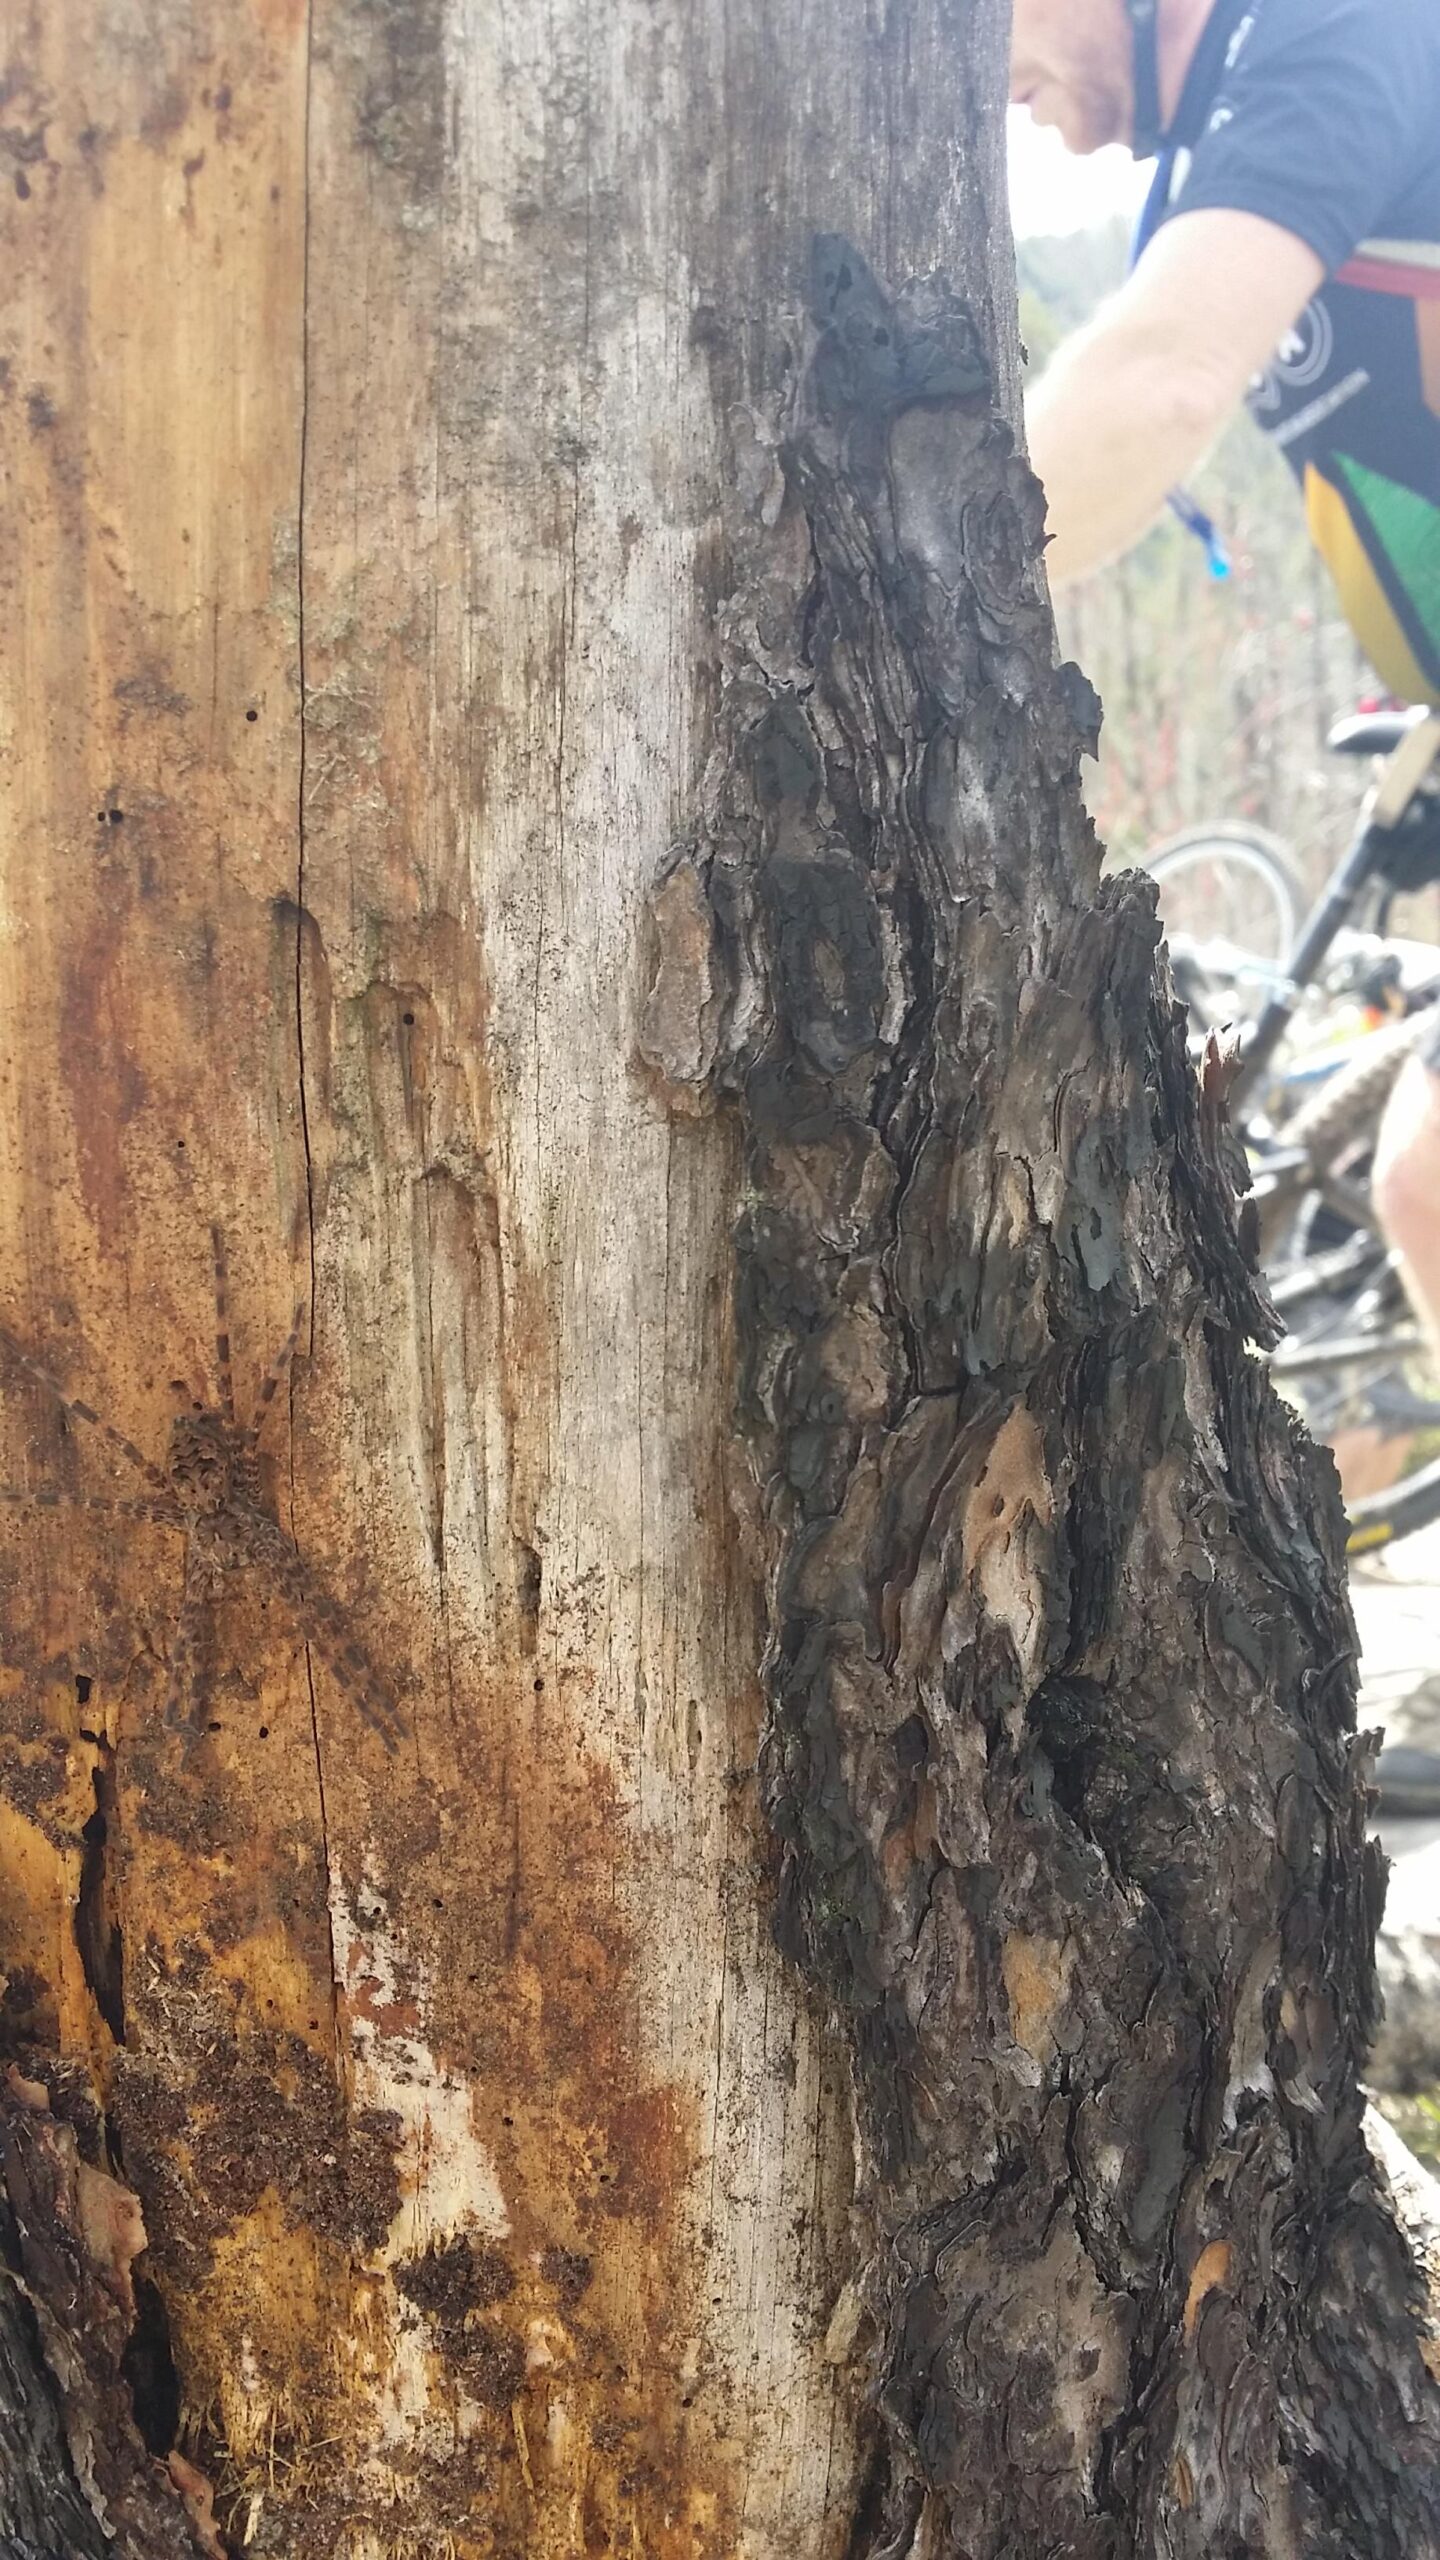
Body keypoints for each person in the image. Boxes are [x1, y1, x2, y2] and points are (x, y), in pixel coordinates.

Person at [1011, 0, 1440, 1808]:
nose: (1009, 94)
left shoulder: (1338, 30)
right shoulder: (1200, 145)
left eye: (987, 34)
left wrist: (882, 587)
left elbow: (1164, 380)